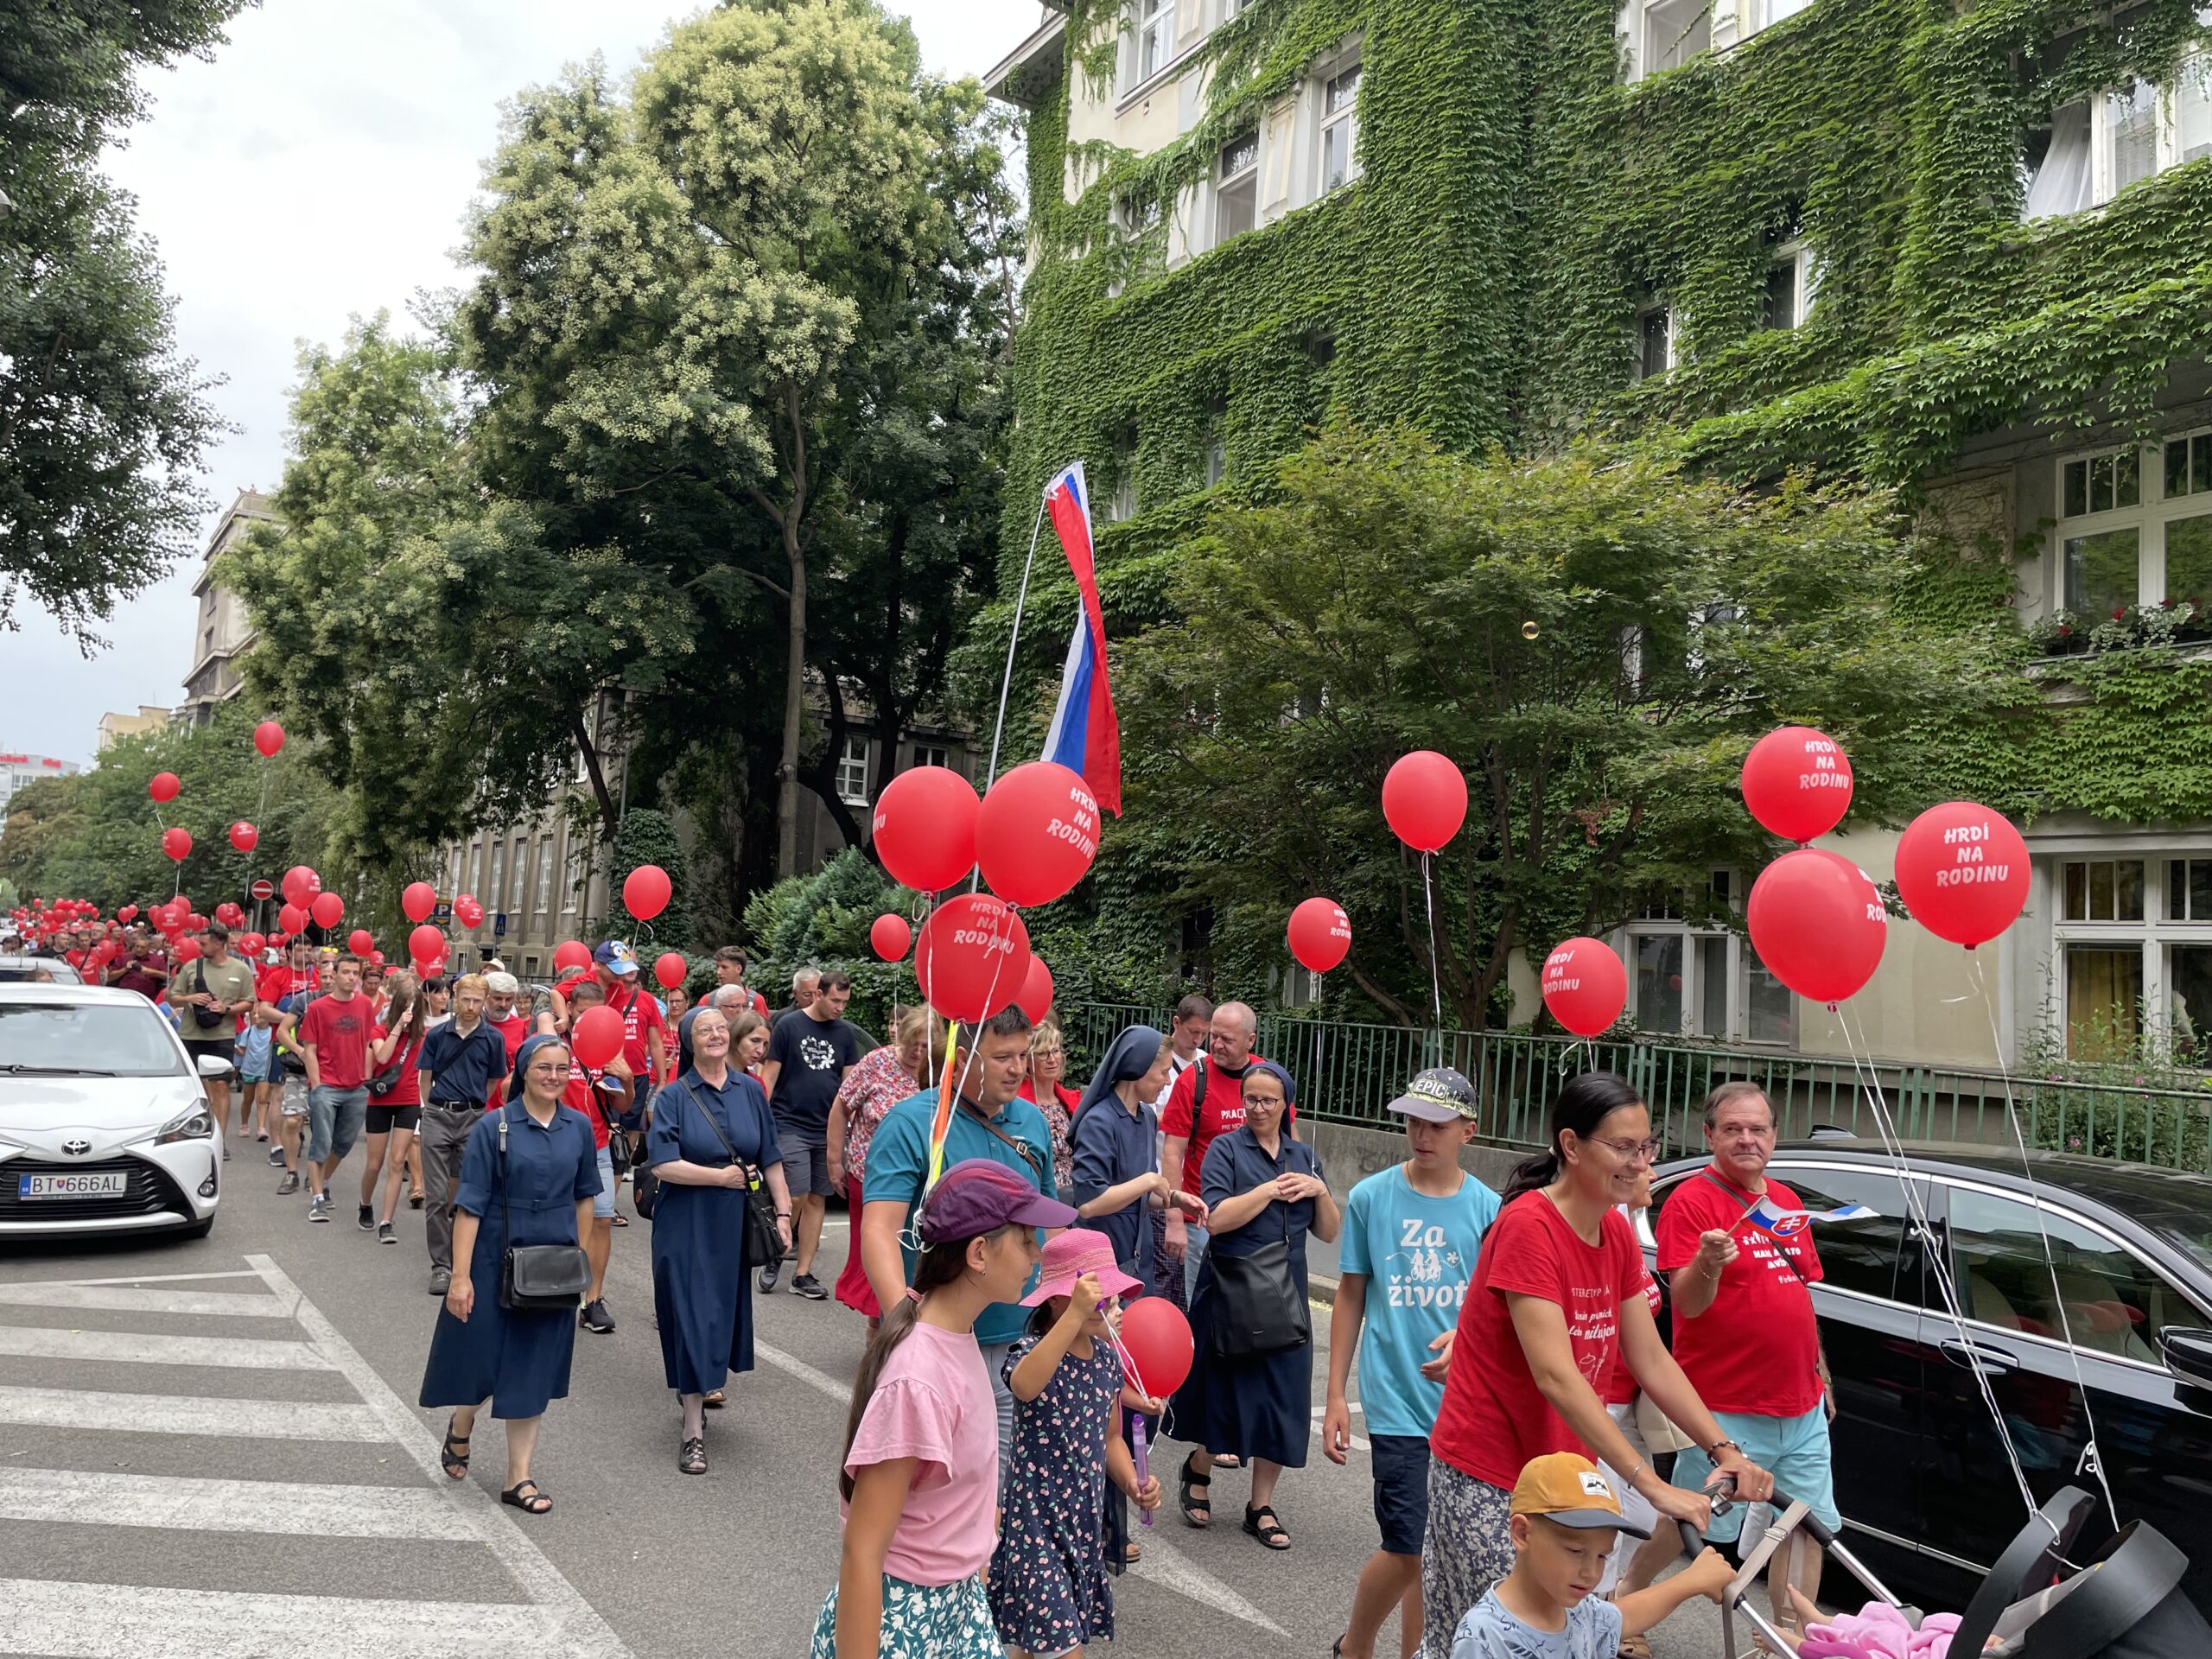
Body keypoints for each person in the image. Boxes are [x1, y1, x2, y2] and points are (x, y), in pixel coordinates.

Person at [1417, 1072, 1775, 1659]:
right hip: (1490, 1473)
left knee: (1564, 1632)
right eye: (1624, 1147)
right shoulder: (1529, 1226)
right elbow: (1555, 1374)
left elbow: (1650, 1356)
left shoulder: (1614, 1229)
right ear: (1572, 1145)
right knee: (1497, 1637)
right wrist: (1652, 1485)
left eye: (1647, 1146)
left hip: (1563, 1476)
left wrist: (1723, 1448)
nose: (1641, 1163)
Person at [813, 1159, 1076, 1659]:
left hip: (953, 1602)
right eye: (1025, 1239)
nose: (1036, 1255)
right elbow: (864, 1552)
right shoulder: (918, 1379)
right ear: (979, 1253)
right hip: (907, 1619)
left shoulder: (957, 1335)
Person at [1326, 1068, 1502, 1659]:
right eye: (1413, 1121)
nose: (1422, 1134)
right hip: (1396, 1403)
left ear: (1467, 1132)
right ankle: (1356, 1645)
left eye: (1437, 1125)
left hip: (1464, 1410)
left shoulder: (1489, 1208)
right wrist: (1334, 1397)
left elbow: (1493, 1307)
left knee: (1438, 1549)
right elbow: (1351, 1294)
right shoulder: (1373, 1197)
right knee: (1409, 1546)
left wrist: (1467, 1337)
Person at [1656, 1081, 1835, 1647]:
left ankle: (1789, 1635)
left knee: (1809, 1525)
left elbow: (1801, 1293)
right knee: (1695, 1521)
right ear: (1710, 1135)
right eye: (1732, 1128)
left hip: (1800, 1402)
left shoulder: (1785, 1200)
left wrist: (1821, 1372)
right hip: (1725, 1407)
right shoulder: (1691, 1201)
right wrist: (1709, 1262)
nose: (1746, 1139)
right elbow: (1686, 1303)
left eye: (1757, 1129)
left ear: (1774, 1137)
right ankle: (1626, 1597)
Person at [861, 1007, 1056, 1471]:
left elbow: (1053, 1228)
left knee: (1003, 1497)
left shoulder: (1033, 1123)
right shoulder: (911, 1123)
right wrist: (905, 1327)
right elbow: (878, 1229)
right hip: (943, 1340)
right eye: (1003, 1056)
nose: (1018, 1069)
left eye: (1022, 1055)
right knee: (937, 1493)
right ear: (965, 1059)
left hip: (1022, 1340)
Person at [417, 1033, 599, 1518]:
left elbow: (586, 1196)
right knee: (481, 1360)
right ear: (523, 1070)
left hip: (552, 1263)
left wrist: (578, 1263)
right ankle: (462, 1421)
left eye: (562, 1068)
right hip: (493, 1254)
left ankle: (518, 1477)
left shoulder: (579, 1127)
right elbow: (470, 1206)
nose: (554, 1077)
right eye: (544, 1067)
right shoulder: (493, 1127)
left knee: (531, 1369)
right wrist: (460, 1276)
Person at [1169, 1058, 1336, 1552]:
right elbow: (1215, 1219)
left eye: (1268, 1100)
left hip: (1288, 1292)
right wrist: (1267, 1190)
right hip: (1235, 1287)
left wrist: (1320, 1190)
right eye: (1250, 1099)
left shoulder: (1304, 1155)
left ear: (1286, 1106)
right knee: (1228, 1392)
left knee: (1283, 1399)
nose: (1258, 1108)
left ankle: (1259, 1506)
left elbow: (1327, 1231)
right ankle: (1200, 1464)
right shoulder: (1226, 1148)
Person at [988, 1231, 1164, 1659]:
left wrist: (1132, 1482)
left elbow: (1111, 1439)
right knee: (1063, 1648)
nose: (1111, 1310)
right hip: (1034, 1529)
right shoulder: (1029, 1352)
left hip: (1080, 1526)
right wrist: (1075, 1318)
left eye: (1114, 1300)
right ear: (1055, 1301)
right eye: (1096, 1299)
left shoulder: (1107, 1362)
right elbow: (1026, 1386)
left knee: (1035, 1646)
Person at [646, 1005, 793, 1473]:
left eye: (720, 1029)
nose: (713, 1035)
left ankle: (695, 1385)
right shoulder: (673, 1097)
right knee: (691, 1316)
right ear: (689, 1041)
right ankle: (692, 1429)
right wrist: (720, 1178)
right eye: (703, 1030)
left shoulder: (750, 1090)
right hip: (685, 1223)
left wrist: (785, 1212)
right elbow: (663, 1164)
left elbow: (770, 1156)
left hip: (734, 1224)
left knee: (716, 1317)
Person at [1446, 1453, 1734, 1659]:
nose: (1591, 1573)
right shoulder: (1484, 1638)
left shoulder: (1574, 1605)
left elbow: (1624, 1616)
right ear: (1522, 1533)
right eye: (1575, 1551)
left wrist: (1692, 1581)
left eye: (1602, 1556)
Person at [1161, 1001, 1282, 1305]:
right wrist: (1175, 1220)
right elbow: (1172, 1152)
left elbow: (1288, 1140)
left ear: (1250, 1040)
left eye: (1227, 1039)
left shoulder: (1268, 1079)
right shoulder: (1193, 1080)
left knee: (1256, 1309)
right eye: (1214, 1036)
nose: (1215, 1044)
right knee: (1203, 1309)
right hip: (1203, 1221)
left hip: (1258, 1219)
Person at [1070, 1026, 1206, 1287]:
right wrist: (1150, 1180)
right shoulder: (1099, 1121)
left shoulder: (1146, 1118)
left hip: (1139, 1261)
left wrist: (1174, 1199)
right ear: (1138, 1070)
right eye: (1164, 1072)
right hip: (1100, 1263)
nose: (1168, 1081)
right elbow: (1089, 1203)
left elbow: (1140, 1195)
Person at [758, 968, 863, 1300]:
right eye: (835, 1000)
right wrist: (760, 1118)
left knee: (819, 1197)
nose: (840, 1008)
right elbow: (769, 1075)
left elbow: (848, 1087)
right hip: (788, 1122)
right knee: (797, 1192)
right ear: (818, 994)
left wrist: (848, 1130)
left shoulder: (844, 1034)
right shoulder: (789, 1026)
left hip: (826, 1128)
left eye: (845, 1002)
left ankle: (802, 1273)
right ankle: (777, 1250)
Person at [827, 1007, 934, 1323]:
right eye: (912, 1043)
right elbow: (841, 1107)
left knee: (913, 1257)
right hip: (869, 1175)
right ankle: (881, 1327)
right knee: (878, 1249)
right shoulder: (877, 1062)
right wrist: (835, 1161)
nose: (917, 1051)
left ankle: (897, 1322)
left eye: (926, 1045)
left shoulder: (940, 1071)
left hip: (921, 1179)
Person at [416, 973, 511, 1296]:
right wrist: (431, 1107)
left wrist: (475, 1105)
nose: (470, 1007)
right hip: (438, 1114)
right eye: (465, 999)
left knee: (472, 1193)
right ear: (455, 997)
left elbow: (493, 1081)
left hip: (473, 1116)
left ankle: (468, 1263)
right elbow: (425, 1076)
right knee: (437, 1196)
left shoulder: (492, 1039)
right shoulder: (438, 1034)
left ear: (484, 1002)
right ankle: (441, 1266)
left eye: (477, 1001)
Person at [561, 977, 635, 1332]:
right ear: (572, 1011)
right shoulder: (556, 1046)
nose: (589, 1021)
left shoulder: (609, 1049)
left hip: (599, 1147)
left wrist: (629, 1081)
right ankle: (554, 1292)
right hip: (559, 1148)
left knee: (602, 1221)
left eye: (597, 1015)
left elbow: (621, 1104)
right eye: (583, 1014)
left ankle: (593, 1301)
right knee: (560, 1223)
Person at [296, 954, 374, 1224]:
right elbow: (310, 1049)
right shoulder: (318, 1007)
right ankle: (317, 1198)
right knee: (322, 1142)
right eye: (347, 972)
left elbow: (368, 1044)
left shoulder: (365, 1005)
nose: (352, 978)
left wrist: (367, 1078)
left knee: (343, 1142)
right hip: (327, 1084)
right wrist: (316, 1085)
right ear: (335, 975)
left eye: (356, 973)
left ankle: (323, 1180)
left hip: (356, 1086)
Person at [172, 922, 256, 1158]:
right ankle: (185, 1137)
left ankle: (218, 1140)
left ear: (220, 943)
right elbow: (173, 997)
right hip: (190, 1034)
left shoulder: (240, 969)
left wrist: (226, 1008)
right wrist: (191, 997)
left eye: (204, 943)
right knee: (189, 1087)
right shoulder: (191, 966)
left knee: (220, 1086)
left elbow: (249, 1002)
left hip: (222, 1036)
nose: (199, 947)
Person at [360, 970, 432, 1242]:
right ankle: (365, 1203)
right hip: (380, 1100)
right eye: (405, 1008)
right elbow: (382, 1055)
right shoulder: (379, 1030)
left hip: (408, 1100)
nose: (410, 1013)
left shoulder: (422, 1036)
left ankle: (386, 1222)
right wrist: (397, 1028)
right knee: (374, 1163)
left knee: (396, 1161)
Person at [1018, 1020, 1083, 1192]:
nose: (1052, 1059)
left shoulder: (1073, 1100)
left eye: (1055, 1051)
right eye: (1043, 1054)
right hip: (1037, 1191)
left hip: (1075, 1193)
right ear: (1028, 1060)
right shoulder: (1016, 1104)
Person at [481, 969, 540, 1106]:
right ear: (485, 996)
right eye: (498, 998)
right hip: (477, 1102)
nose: (503, 1004)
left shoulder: (519, 1025)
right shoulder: (474, 1021)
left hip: (506, 1101)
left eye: (509, 999)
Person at [234, 1003, 277, 1147]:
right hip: (249, 1069)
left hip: (264, 1069)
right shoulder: (248, 1032)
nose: (256, 1017)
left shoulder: (273, 1032)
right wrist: (233, 1048)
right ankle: (244, 1124)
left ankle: (261, 1128)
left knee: (262, 1099)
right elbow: (242, 1050)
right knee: (248, 1099)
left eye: (260, 1014)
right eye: (254, 1015)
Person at [105, 926, 169, 999]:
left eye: (142, 947)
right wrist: (125, 969)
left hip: (146, 997)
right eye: (137, 946)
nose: (139, 949)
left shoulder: (157, 959)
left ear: (148, 948)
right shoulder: (125, 957)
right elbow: (109, 977)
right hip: (124, 996)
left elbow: (167, 976)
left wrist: (150, 971)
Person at [714, 944, 770, 1017]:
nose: (718, 972)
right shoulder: (708, 1000)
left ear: (739, 969)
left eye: (724, 967)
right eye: (717, 967)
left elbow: (764, 1028)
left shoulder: (756, 1000)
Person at [775, 965, 822, 1030]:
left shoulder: (829, 1019)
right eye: (807, 995)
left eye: (818, 994)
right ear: (795, 993)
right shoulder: (780, 1019)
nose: (813, 1000)